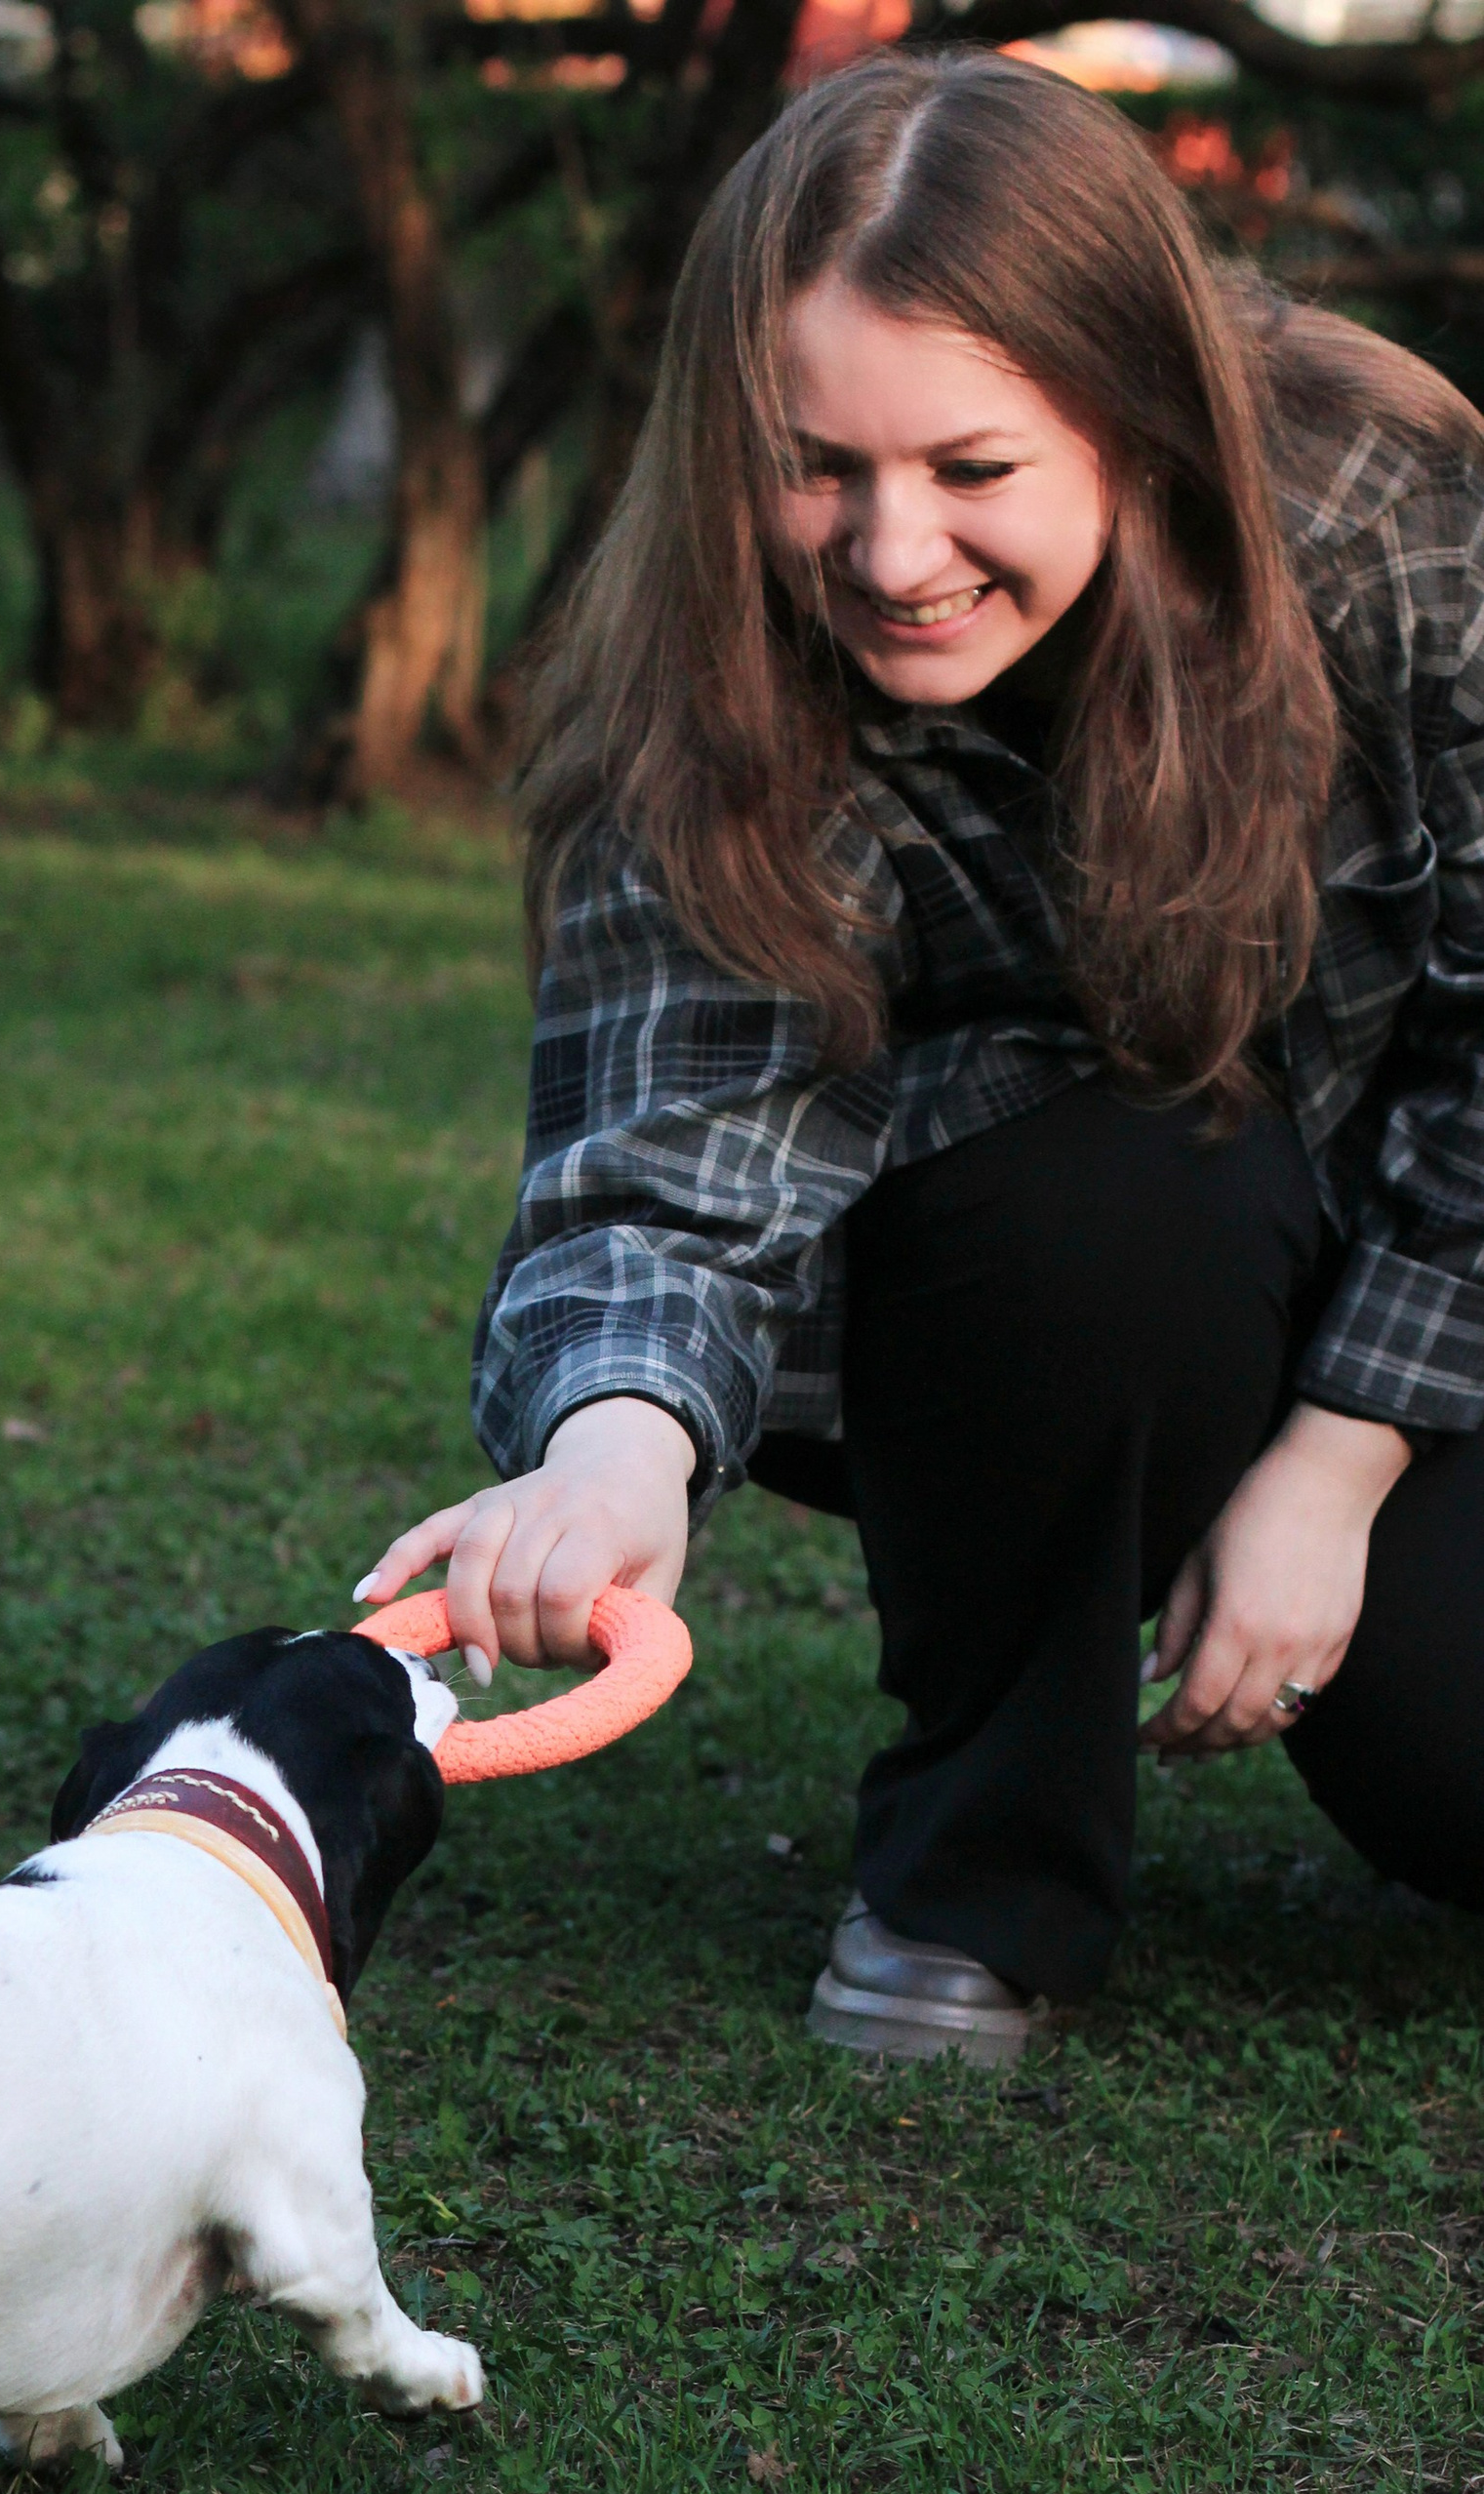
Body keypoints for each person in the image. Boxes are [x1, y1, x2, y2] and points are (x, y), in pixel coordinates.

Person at [354, 51, 1484, 2063]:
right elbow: (663, 1148)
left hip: (1431, 1244)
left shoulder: (1373, 500)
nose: (887, 555)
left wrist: (1337, 1461)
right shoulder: (701, 677)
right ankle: (977, 1880)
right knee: (1125, 1174)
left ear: (1124, 419)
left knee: (1446, 1748)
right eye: (817, 467)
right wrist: (616, 1449)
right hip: (1042, 1266)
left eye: (970, 471)